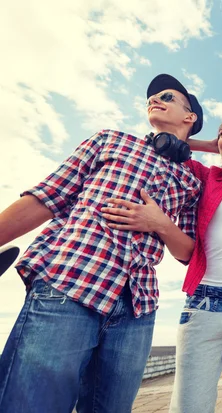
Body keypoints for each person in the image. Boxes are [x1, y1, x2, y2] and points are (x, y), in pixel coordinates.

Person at [0, 73, 203, 412]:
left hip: (136, 310)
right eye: (152, 97)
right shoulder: (110, 140)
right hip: (69, 284)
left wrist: (159, 223)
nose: (155, 99)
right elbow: (46, 197)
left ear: (190, 116)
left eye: (167, 97)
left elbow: (187, 253)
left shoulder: (190, 181)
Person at [107, 114, 222, 413]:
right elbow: (164, 142)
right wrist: (213, 146)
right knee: (190, 405)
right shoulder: (205, 177)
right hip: (203, 305)